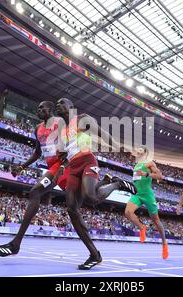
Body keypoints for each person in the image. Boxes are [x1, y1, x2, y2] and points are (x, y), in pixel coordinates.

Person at [55, 97, 137, 270]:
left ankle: (117, 184)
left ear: (72, 106)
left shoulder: (82, 118)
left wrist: (117, 146)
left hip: (87, 161)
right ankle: (94, 254)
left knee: (91, 197)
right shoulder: (62, 131)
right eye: (56, 104)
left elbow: (101, 132)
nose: (58, 105)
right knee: (71, 208)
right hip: (72, 167)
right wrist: (62, 159)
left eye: (62, 102)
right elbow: (64, 152)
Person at [0, 101, 69, 256]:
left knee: (35, 192)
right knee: (82, 201)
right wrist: (22, 167)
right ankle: (15, 244)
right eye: (38, 108)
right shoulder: (37, 128)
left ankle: (15, 244)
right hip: (52, 168)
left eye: (42, 108)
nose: (39, 110)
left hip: (63, 165)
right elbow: (37, 153)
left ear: (51, 109)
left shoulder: (59, 122)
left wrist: (63, 165)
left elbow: (67, 145)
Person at [124, 146, 168, 259]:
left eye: (140, 150)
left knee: (156, 219)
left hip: (147, 195)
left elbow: (160, 176)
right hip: (137, 194)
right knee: (128, 212)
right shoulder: (136, 165)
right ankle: (142, 227)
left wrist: (146, 174)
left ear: (145, 153)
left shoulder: (149, 163)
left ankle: (164, 244)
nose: (138, 151)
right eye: (137, 150)